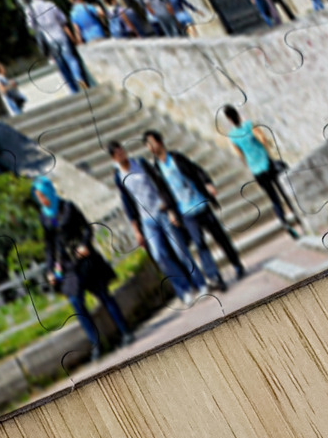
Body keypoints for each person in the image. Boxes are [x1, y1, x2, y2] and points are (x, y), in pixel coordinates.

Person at [33, 177, 135, 363]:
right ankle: (96, 344)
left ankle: (125, 330)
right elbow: (49, 245)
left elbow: (87, 228)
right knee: (76, 303)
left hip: (85, 261)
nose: (42, 200)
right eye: (38, 197)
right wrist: (50, 270)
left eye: (42, 195)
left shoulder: (68, 208)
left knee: (104, 296)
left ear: (49, 192)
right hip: (68, 267)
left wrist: (84, 244)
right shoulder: (44, 216)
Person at [143, 130, 245, 288]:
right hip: (185, 212)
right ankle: (215, 276)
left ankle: (237, 264)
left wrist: (207, 183)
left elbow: (196, 170)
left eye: (151, 143)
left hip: (200, 203)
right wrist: (171, 212)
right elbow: (163, 192)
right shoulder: (156, 169)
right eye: (147, 145)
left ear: (160, 141)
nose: (150, 147)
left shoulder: (176, 157)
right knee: (199, 243)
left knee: (220, 237)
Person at [109, 141, 206, 304]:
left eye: (122, 151)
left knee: (180, 250)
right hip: (147, 221)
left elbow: (159, 183)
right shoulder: (119, 176)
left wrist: (169, 207)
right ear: (113, 158)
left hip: (161, 211)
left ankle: (200, 283)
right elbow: (128, 203)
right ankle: (184, 290)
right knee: (159, 255)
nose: (122, 155)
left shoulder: (140, 163)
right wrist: (136, 230)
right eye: (118, 154)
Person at [222, 105, 300, 238]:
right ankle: (298, 216)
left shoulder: (232, 136)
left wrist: (250, 162)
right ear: (237, 114)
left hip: (256, 170)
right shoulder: (249, 125)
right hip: (266, 163)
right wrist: (263, 149)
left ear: (228, 119)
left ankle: (284, 222)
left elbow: (239, 154)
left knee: (274, 198)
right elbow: (263, 139)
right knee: (283, 191)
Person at [23, 0, 87, 92]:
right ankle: (78, 78)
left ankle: (73, 89)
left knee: (61, 65)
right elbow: (62, 20)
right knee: (70, 59)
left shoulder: (29, 10)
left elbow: (31, 26)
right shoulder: (50, 4)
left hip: (49, 39)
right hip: (60, 34)